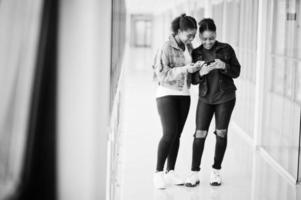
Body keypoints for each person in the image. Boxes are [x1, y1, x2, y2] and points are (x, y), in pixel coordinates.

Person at [184, 18, 241, 187]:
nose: (208, 42)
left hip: (226, 98)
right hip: (205, 98)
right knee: (199, 134)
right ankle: (194, 173)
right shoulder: (196, 53)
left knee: (221, 133)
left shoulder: (226, 49)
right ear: (199, 37)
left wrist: (224, 65)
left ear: (216, 35)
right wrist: (201, 72)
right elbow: (193, 80)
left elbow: (236, 72)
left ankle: (216, 172)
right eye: (204, 38)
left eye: (212, 38)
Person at [152, 14, 204, 189]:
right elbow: (162, 74)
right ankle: (158, 173)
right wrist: (185, 69)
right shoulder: (166, 47)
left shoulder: (189, 47)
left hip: (184, 94)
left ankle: (170, 171)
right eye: (189, 35)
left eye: (194, 35)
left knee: (177, 135)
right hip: (166, 93)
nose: (192, 38)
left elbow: (192, 74)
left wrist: (198, 70)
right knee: (169, 133)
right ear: (179, 31)